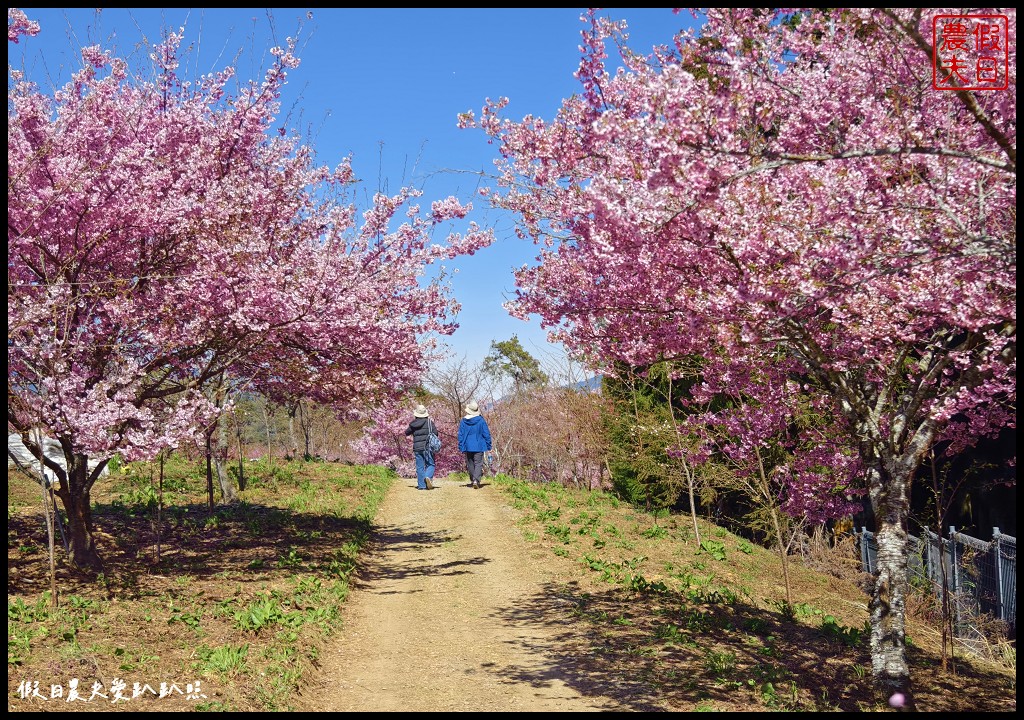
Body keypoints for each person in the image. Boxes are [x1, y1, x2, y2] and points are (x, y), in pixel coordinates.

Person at [457, 400, 492, 489]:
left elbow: (460, 434)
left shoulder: (464, 421)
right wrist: (488, 444)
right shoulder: (481, 420)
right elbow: (486, 433)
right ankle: (476, 480)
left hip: (467, 445)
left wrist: (461, 445)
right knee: (478, 463)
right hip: (479, 445)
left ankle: (473, 479)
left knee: (470, 463)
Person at [404, 404, 437, 490]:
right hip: (428, 447)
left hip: (417, 448)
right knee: (431, 464)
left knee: (420, 467)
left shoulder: (413, 424)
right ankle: (428, 476)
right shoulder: (429, 422)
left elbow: (406, 432)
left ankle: (422, 486)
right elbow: (436, 433)